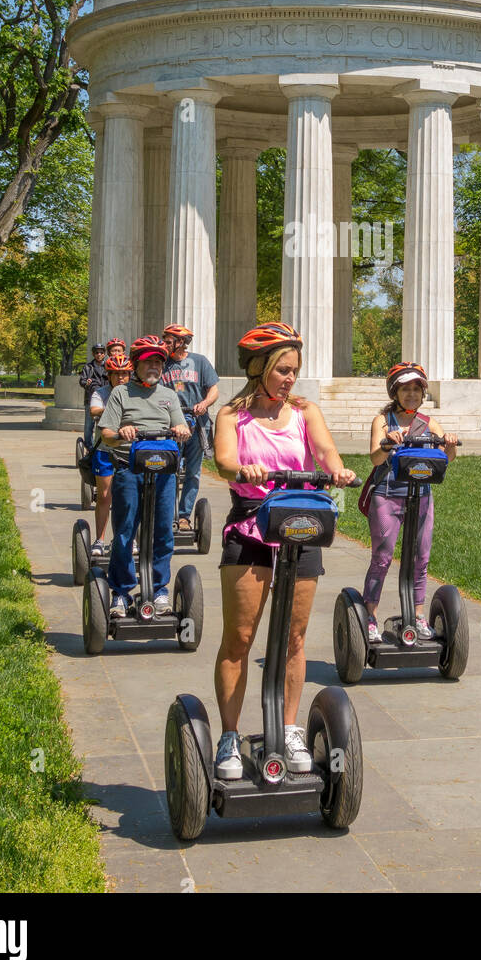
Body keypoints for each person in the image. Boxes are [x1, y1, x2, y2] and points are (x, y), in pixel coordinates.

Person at [212, 322, 355, 780]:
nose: (290, 378)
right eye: (282, 370)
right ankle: (230, 737)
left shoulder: (306, 411)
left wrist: (338, 471)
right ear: (259, 368)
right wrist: (244, 469)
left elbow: (326, 451)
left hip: (300, 526)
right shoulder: (232, 416)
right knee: (240, 639)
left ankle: (289, 728)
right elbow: (223, 461)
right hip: (251, 528)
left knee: (294, 639)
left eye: (295, 370)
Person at [362, 362, 457, 645]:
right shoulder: (383, 421)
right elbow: (375, 458)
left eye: (417, 389)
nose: (412, 394)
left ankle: (417, 616)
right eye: (406, 389)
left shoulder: (429, 423)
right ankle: (369, 617)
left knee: (421, 558)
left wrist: (449, 443)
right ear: (395, 391)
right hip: (387, 495)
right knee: (382, 557)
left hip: (421, 494)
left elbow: (447, 459)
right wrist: (386, 443)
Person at [96, 336, 191, 616]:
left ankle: (159, 589)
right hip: (129, 467)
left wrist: (182, 430)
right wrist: (121, 431)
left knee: (163, 531)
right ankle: (122, 592)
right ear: (136, 363)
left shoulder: (169, 396)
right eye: (149, 361)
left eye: (159, 362)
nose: (154, 366)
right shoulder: (121, 394)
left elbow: (180, 424)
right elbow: (106, 435)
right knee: (125, 531)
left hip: (163, 470)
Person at [160, 323, 220, 532]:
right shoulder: (162, 363)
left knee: (193, 473)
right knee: (169, 470)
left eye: (168, 341)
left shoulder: (199, 361)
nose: (164, 344)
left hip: (196, 423)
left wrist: (204, 404)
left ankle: (184, 516)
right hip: (171, 425)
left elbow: (213, 389)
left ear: (181, 342)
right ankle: (168, 514)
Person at [87, 354, 132, 559]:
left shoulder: (135, 394)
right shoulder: (101, 393)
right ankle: (100, 539)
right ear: (109, 375)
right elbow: (94, 409)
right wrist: (113, 412)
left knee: (129, 497)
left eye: (124, 374)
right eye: (116, 374)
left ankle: (129, 539)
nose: (121, 378)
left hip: (129, 451)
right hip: (105, 450)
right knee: (105, 496)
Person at [79, 344, 108, 447]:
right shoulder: (88, 367)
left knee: (104, 425)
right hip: (91, 400)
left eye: (101, 352)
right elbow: (82, 381)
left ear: (104, 354)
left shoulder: (108, 366)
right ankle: (89, 447)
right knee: (89, 426)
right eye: (96, 352)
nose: (99, 354)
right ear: (93, 354)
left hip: (106, 400)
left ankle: (103, 446)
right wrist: (87, 382)